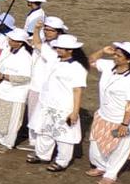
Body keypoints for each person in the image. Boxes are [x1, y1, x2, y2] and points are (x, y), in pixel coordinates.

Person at [27, 35, 88, 172]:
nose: (58, 49)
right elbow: (37, 44)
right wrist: (37, 29)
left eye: (61, 48)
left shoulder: (77, 68)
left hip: (64, 106)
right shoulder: (54, 58)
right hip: (47, 103)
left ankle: (62, 161)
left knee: (63, 135)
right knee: (44, 130)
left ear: (71, 50)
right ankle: (42, 154)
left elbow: (78, 91)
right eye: (57, 47)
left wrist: (75, 112)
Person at [85, 42, 130, 184]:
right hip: (103, 115)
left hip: (121, 120)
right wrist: (102, 50)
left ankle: (111, 173)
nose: (114, 57)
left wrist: (125, 124)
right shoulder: (109, 66)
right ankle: (101, 166)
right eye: (115, 53)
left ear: (128, 60)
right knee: (96, 143)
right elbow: (90, 61)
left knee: (119, 147)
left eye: (118, 55)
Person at [0, 29, 33, 152]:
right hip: (1, 88)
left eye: (13, 40)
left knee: (12, 120)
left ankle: (8, 143)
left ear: (20, 43)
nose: (9, 41)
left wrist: (4, 76)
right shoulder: (7, 51)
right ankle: (1, 138)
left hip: (15, 93)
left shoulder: (25, 57)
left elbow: (25, 77)